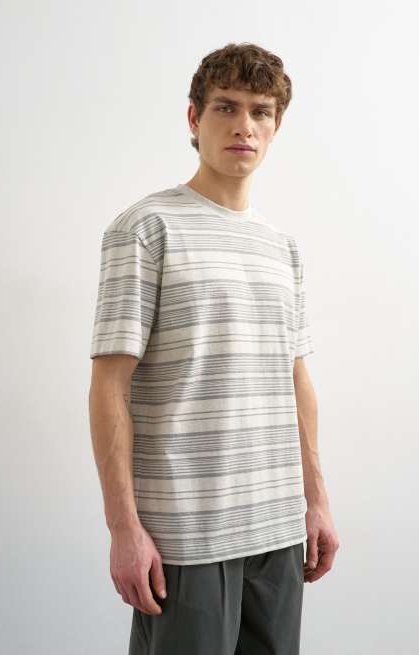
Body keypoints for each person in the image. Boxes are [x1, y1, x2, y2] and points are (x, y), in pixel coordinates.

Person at [88, 41, 339, 655]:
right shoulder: (146, 229)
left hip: (277, 528)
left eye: (260, 111)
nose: (243, 126)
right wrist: (123, 528)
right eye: (226, 107)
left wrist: (316, 500)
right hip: (186, 533)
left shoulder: (282, 248)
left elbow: (296, 379)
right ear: (194, 118)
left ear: (275, 127)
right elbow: (109, 385)